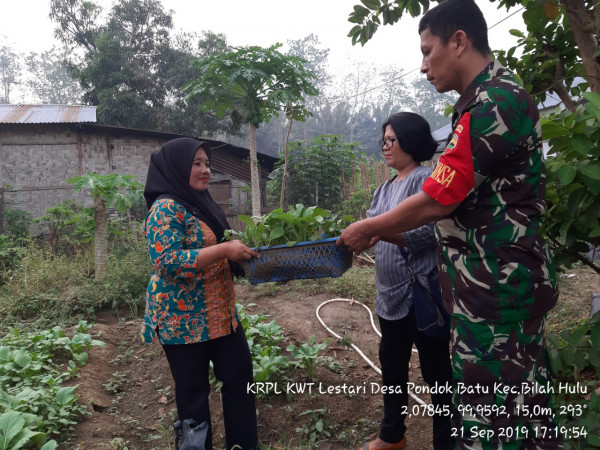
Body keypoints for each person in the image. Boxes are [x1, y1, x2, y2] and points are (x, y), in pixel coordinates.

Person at [338, 0, 561, 448]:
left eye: (427, 51)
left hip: (497, 299)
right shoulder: (475, 106)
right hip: (484, 295)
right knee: (519, 422)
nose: (422, 67)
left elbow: (440, 197)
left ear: (458, 41)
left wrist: (369, 228)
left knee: (495, 427)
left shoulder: (496, 102)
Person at [141, 137, 259, 450]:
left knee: (240, 381)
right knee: (193, 396)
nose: (205, 170)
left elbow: (222, 248)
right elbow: (166, 262)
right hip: (183, 323)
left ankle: (243, 445)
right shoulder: (165, 208)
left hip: (220, 316)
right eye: (197, 163)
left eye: (207, 163)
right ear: (178, 167)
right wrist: (223, 250)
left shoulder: (200, 202)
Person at [363, 112, 455, 450]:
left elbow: (430, 233)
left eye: (391, 140)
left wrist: (377, 230)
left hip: (421, 295)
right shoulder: (384, 188)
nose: (384, 147)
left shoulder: (424, 180)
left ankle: (446, 441)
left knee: (436, 371)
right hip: (389, 296)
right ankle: (392, 435)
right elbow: (371, 228)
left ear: (410, 141)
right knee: (392, 366)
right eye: (383, 141)